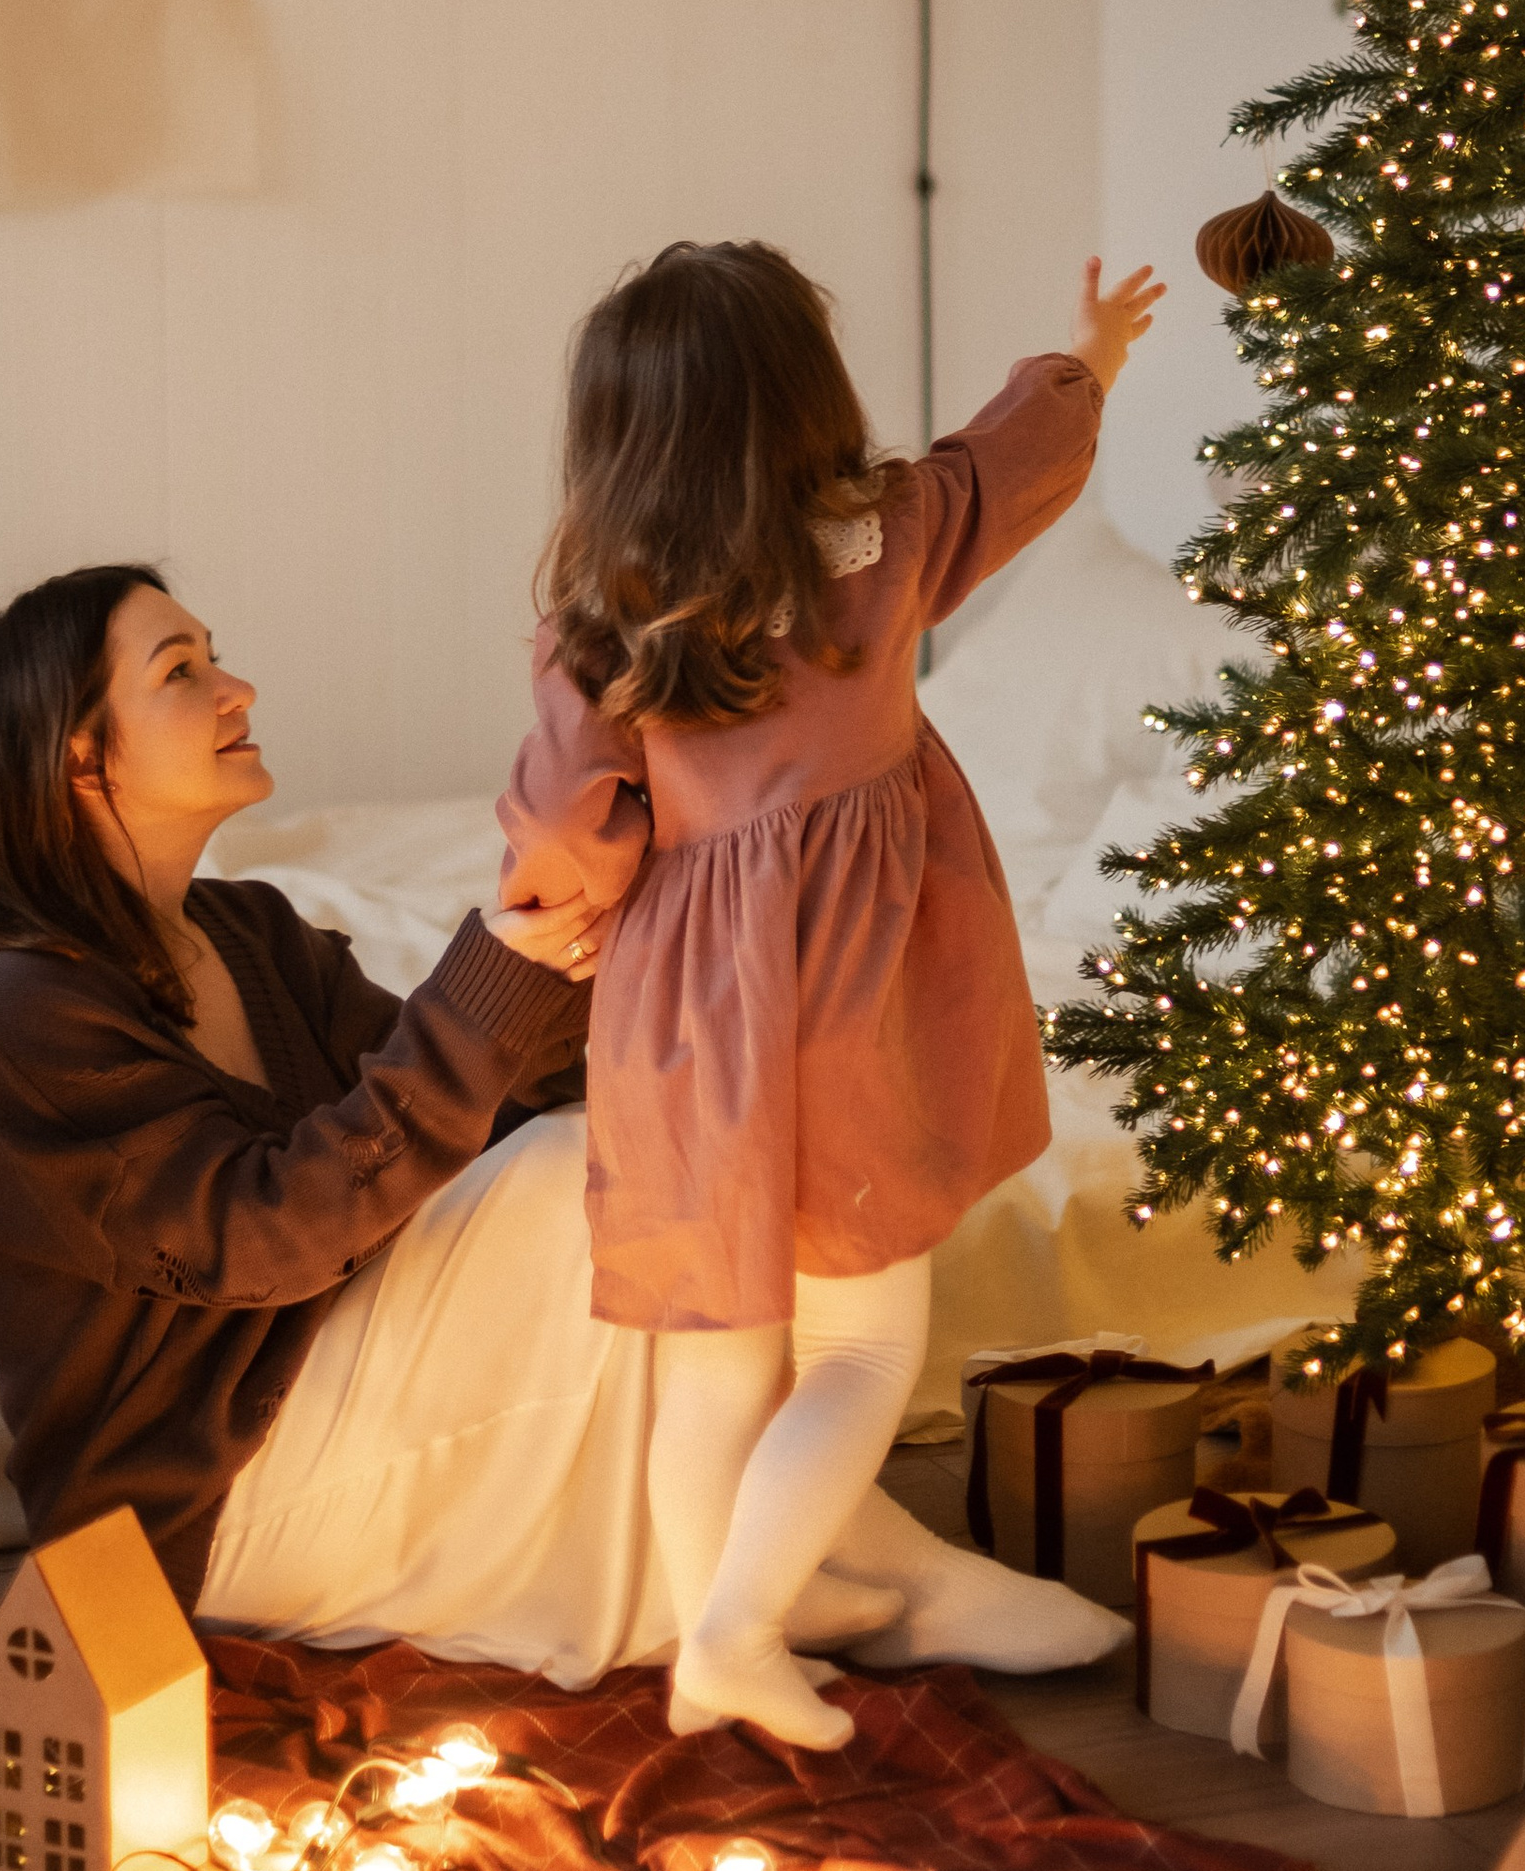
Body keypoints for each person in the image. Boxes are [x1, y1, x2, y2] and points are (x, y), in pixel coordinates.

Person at [0, 560, 1116, 1686]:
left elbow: (466, 1110)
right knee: (570, 1178)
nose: (235, 688)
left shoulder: (247, 930)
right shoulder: (13, 1006)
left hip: (319, 1399)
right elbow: (262, 1234)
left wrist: (619, 940)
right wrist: (488, 984)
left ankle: (836, 1560)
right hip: (197, 1510)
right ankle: (855, 1585)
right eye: (180, 671)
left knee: (650, 1144)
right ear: (79, 756)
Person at [496, 240, 1163, 1746]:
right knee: (859, 1346)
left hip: (685, 1020)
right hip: (854, 1003)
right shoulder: (890, 536)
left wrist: (581, 905)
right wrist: (1089, 358)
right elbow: (1014, 461)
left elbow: (556, 821)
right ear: (808, 396)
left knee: (711, 1358)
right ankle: (736, 1633)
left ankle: (702, 1656)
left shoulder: (599, 626)